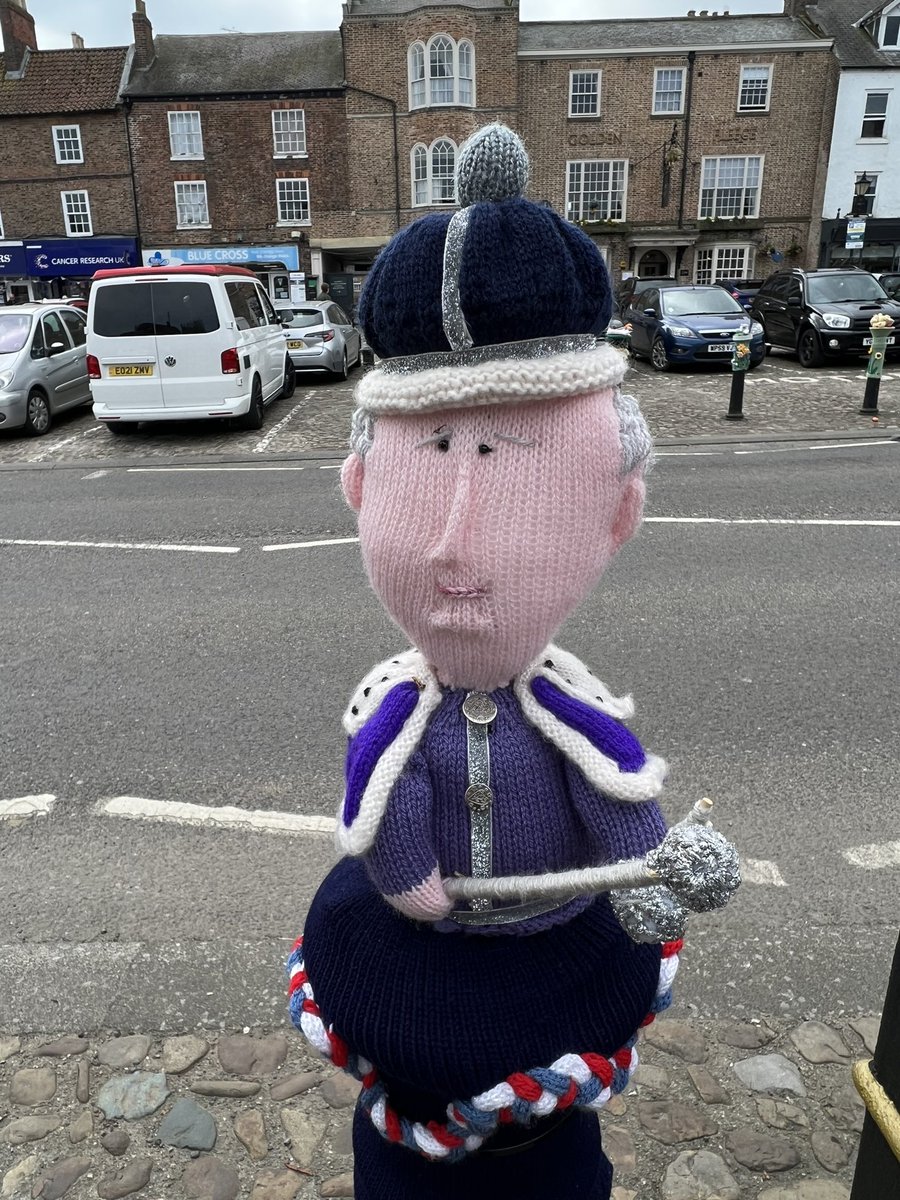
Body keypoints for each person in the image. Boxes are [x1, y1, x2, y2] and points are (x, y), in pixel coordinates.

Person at [288, 124, 739, 1200]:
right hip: (417, 966)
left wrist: (654, 877)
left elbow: (615, 791)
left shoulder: (566, 711)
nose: (451, 544)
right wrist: (405, 876)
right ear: (361, 490)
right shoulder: (394, 714)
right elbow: (383, 802)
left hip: (552, 960)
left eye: (502, 461)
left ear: (620, 510)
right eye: (430, 461)